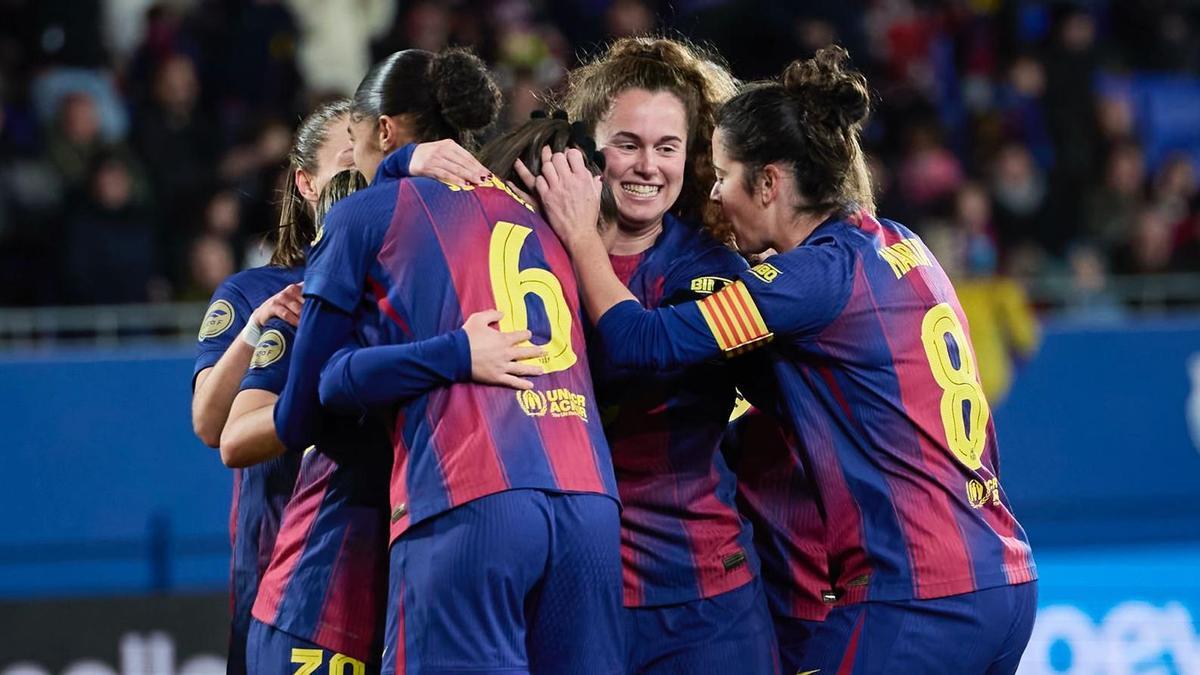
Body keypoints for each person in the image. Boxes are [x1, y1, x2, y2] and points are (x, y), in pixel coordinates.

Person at [532, 46, 1038, 674]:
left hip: (917, 593)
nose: (712, 194)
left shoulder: (806, 280)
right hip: (1004, 575)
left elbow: (640, 341)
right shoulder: (901, 244)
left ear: (769, 181)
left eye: (722, 175)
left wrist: (580, 235)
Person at [273, 48, 624, 675]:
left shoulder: (363, 214)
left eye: (353, 140)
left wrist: (442, 357)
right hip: (591, 502)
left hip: (469, 499)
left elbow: (304, 408)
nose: (351, 161)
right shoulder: (536, 216)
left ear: (384, 130)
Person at [528, 36, 777, 674]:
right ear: (588, 147)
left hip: (702, 601)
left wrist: (579, 235)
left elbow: (635, 353)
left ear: (691, 156)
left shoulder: (714, 270)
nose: (648, 167)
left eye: (668, 147)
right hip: (574, 595)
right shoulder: (524, 250)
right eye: (627, 144)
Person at [190, 98, 354, 675]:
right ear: (307, 184)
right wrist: (256, 328)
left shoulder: (405, 277)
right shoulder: (253, 290)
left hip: (382, 568)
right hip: (276, 576)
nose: (364, 181)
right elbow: (210, 425)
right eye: (347, 164)